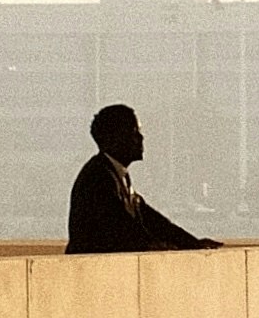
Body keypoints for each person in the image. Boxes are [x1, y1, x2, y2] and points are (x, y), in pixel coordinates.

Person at [65, 101, 215, 253]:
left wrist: (192, 243)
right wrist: (155, 245)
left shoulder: (116, 175)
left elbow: (154, 221)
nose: (141, 138)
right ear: (113, 137)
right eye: (133, 132)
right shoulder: (98, 179)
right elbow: (121, 227)